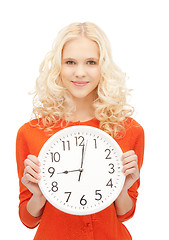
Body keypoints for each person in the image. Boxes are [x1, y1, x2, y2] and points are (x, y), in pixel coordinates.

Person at [16, 22, 144, 240]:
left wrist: (123, 189)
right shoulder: (31, 132)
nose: (80, 72)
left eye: (91, 62)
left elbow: (125, 213)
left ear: (103, 67)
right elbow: (28, 219)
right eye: (70, 62)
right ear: (58, 67)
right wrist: (38, 194)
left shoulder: (129, 130)